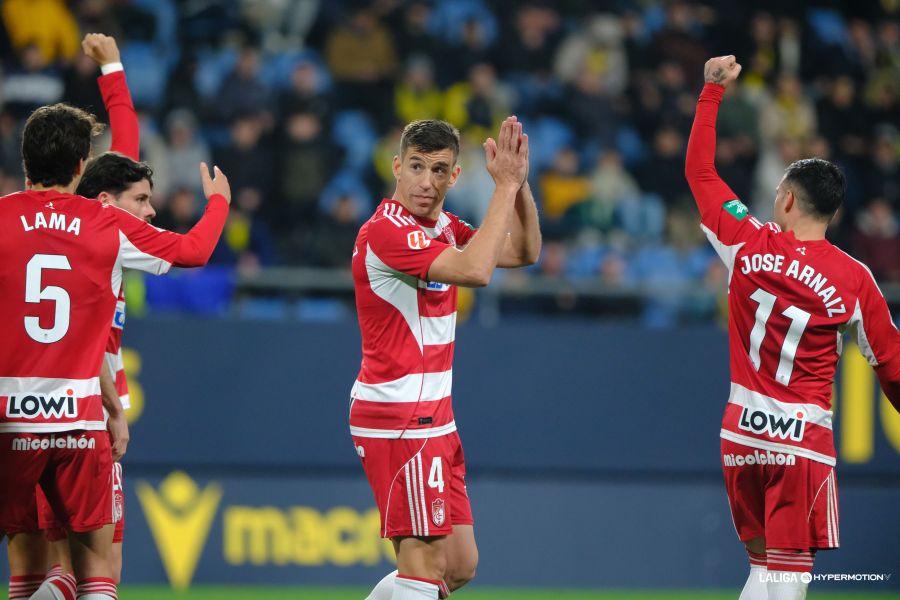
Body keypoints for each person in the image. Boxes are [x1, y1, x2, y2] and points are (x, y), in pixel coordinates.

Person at [685, 55, 900, 600]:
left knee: (762, 570)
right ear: (832, 212)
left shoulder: (746, 241)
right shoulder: (855, 279)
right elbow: (892, 367)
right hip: (801, 443)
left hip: (741, 434)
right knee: (788, 578)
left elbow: (701, 173)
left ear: (785, 199)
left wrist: (711, 91)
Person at [0, 98, 231, 600]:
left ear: (25, 162)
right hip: (80, 423)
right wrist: (219, 203)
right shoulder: (105, 222)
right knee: (98, 573)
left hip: (9, 422)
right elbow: (194, 251)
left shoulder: (2, 218)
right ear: (81, 166)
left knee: (30, 571)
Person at [351, 117, 540, 600]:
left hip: (436, 418)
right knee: (424, 565)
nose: (426, 181)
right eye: (416, 166)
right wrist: (503, 187)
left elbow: (523, 251)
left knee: (457, 564)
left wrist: (518, 184)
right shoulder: (386, 232)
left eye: (438, 170)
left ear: (454, 176)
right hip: (400, 417)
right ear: (397, 167)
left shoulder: (445, 227)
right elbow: (476, 271)